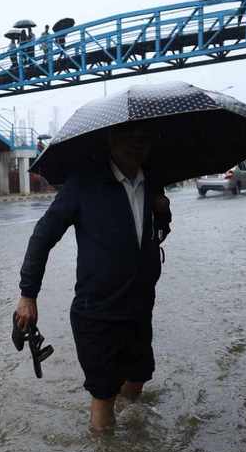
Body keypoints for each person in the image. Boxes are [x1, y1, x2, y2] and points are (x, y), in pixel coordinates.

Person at [15, 126, 170, 432]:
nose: (135, 145)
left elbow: (158, 232)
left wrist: (163, 213)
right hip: (96, 310)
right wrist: (27, 294)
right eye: (128, 138)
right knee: (103, 393)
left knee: (138, 378)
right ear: (111, 141)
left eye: (142, 139)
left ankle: (130, 437)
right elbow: (42, 236)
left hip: (139, 305)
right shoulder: (84, 183)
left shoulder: (152, 181)